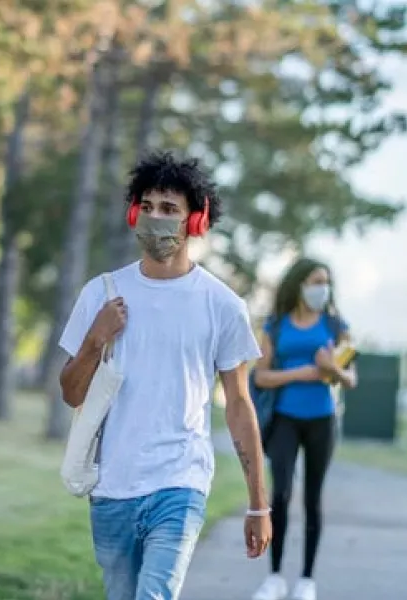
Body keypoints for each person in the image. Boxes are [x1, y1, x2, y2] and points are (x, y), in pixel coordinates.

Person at [58, 151, 272, 600]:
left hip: (180, 482)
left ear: (196, 222)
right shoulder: (101, 293)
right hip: (112, 485)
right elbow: (71, 394)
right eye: (148, 207)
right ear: (135, 213)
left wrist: (258, 504)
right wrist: (95, 339)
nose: (156, 218)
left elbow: (237, 405)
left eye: (169, 209)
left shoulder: (223, 306)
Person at [250, 258, 357, 600]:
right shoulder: (276, 326)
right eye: (315, 281)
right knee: (280, 494)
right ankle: (275, 576)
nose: (321, 288)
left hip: (321, 420)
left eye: (325, 281)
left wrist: (332, 370)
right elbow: (261, 375)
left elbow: (351, 378)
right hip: (284, 417)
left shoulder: (336, 324)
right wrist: (300, 373)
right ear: (299, 284)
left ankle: (307, 580)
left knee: (313, 498)